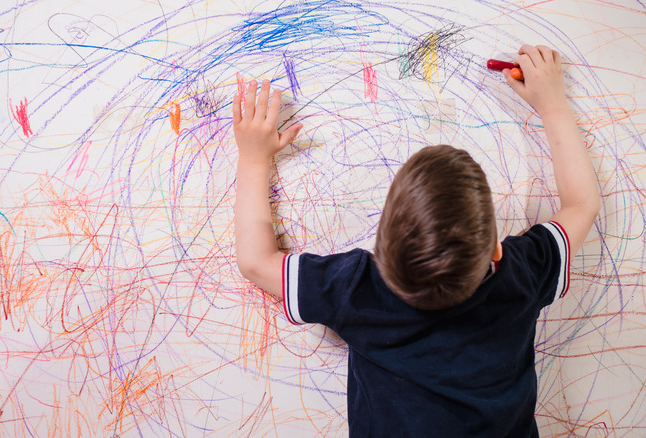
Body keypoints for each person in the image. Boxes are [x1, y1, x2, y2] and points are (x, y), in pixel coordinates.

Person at [232, 44, 600, 436]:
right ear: (495, 250)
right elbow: (582, 205)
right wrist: (553, 104)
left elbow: (255, 262)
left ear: (381, 248)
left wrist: (253, 158)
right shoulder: (520, 277)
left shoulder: (358, 289)